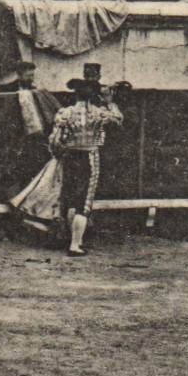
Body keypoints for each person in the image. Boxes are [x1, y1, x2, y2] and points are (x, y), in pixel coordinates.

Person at [48, 64, 123, 257]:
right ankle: (75, 244)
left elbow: (55, 141)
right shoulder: (99, 113)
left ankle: (71, 240)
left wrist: (59, 154)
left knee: (70, 197)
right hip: (89, 156)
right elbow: (118, 119)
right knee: (84, 200)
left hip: (69, 156)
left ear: (76, 94)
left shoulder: (65, 113)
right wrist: (109, 102)